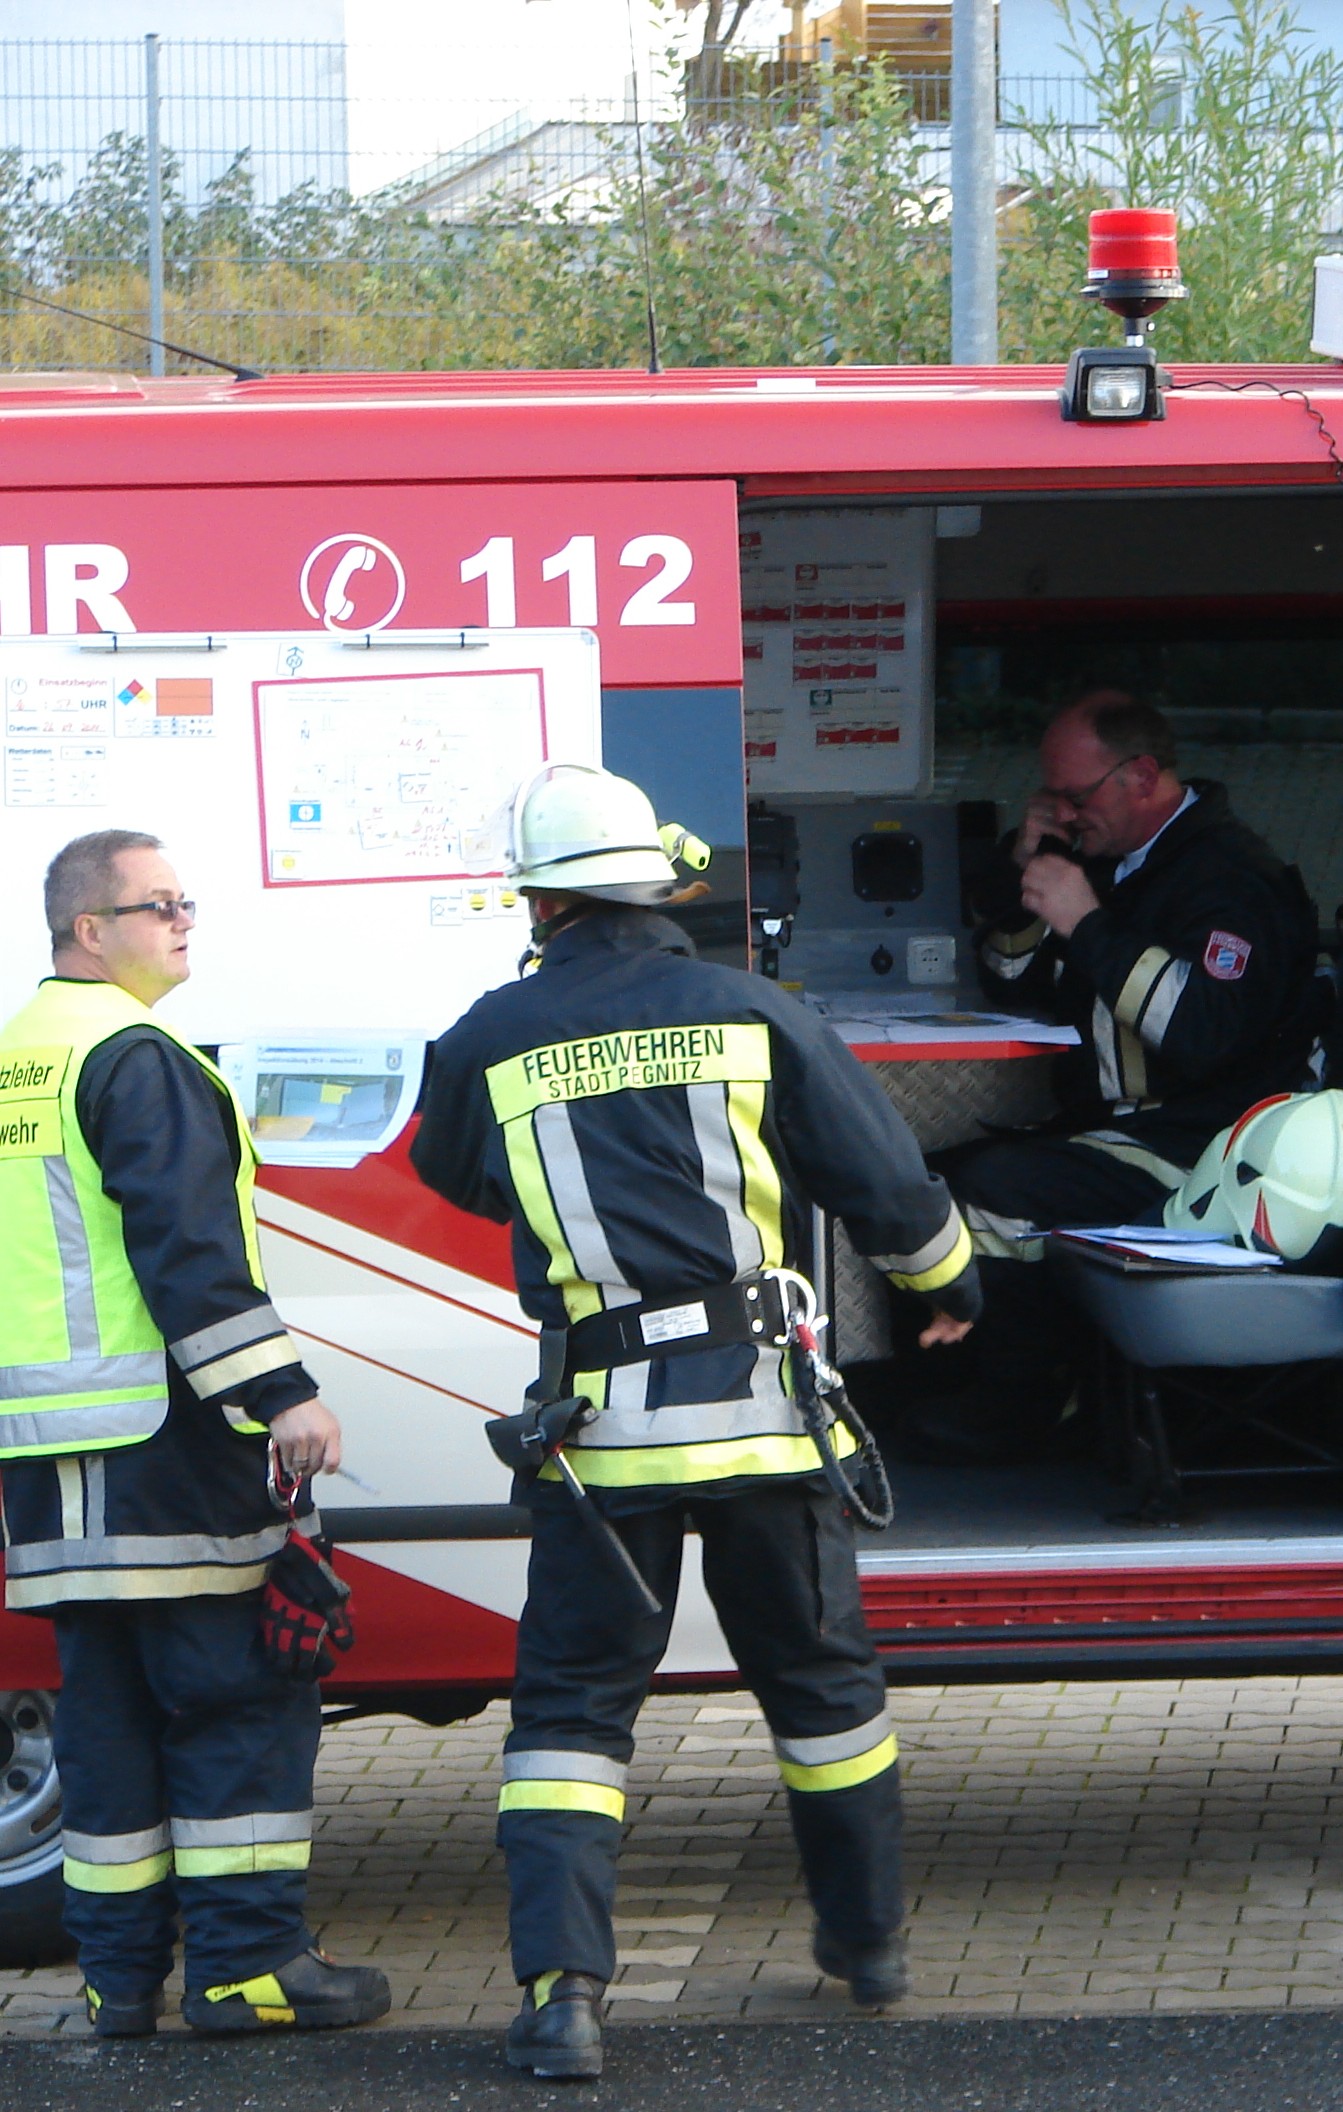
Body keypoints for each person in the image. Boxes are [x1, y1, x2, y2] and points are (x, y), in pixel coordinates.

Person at [411, 763, 981, 2083]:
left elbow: (450, 1166)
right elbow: (884, 1178)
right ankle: (869, 1946)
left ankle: (563, 1999)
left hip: (600, 1435)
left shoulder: (492, 1033)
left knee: (571, 1715)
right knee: (823, 1692)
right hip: (765, 1422)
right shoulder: (755, 1010)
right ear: (659, 891)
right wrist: (949, 1287)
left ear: (541, 903)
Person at [0, 829, 390, 2040]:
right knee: (233, 1701)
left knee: (105, 1726)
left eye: (185, 902)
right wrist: (281, 1394)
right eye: (159, 905)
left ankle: (116, 1983)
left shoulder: (7, 1062)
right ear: (90, 931)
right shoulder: (136, 1057)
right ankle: (248, 1972)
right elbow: (187, 1252)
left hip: (52, 1459)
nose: (183, 921)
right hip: (162, 1452)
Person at [907, 691, 1323, 1456]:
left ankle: (1031, 1403)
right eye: (1052, 797)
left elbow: (1205, 1032)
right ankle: (945, 1381)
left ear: (1142, 776)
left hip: (1208, 1142)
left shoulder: (1232, 877)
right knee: (918, 1183)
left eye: (1077, 796)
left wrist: (1088, 924)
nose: (1065, 812)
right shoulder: (1114, 862)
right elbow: (1011, 980)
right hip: (1121, 1127)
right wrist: (1034, 871)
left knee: (986, 1191)